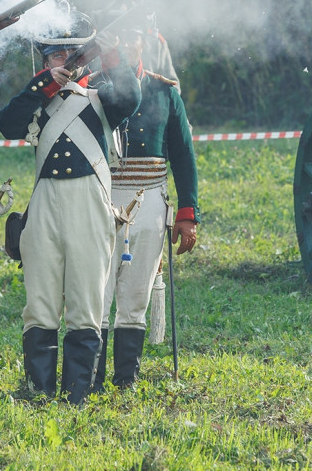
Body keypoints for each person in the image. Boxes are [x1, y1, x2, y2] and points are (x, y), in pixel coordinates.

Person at [0, 13, 141, 404]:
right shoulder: (37, 98)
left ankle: (77, 394)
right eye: (55, 55)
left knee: (86, 298)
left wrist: (112, 56)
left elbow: (131, 97)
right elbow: (7, 123)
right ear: (45, 62)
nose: (63, 61)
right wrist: (42, 86)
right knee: (40, 299)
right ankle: (38, 391)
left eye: (69, 54)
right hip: (44, 203)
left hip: (89, 203)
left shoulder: (100, 96)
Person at [95, 27, 199, 389]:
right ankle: (91, 377)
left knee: (136, 293)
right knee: (97, 291)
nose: (125, 42)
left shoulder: (165, 90)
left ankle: (126, 380)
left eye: (132, 35)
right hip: (100, 197)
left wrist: (187, 214)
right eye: (119, 35)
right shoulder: (91, 86)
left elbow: (184, 155)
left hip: (150, 198)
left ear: (143, 42)